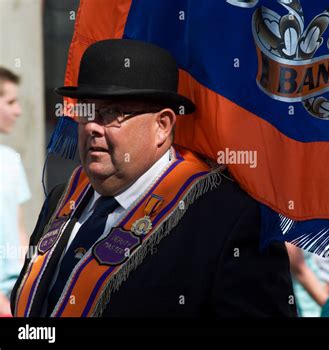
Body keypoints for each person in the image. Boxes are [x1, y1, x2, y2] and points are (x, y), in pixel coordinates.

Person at [10, 39, 296, 317]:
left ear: (162, 125)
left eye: (112, 113)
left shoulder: (227, 219)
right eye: (86, 111)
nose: (93, 128)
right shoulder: (64, 198)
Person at [0, 67, 31, 316]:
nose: (18, 111)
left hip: (15, 296)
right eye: (10, 101)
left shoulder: (11, 160)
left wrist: (29, 280)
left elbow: (19, 228)